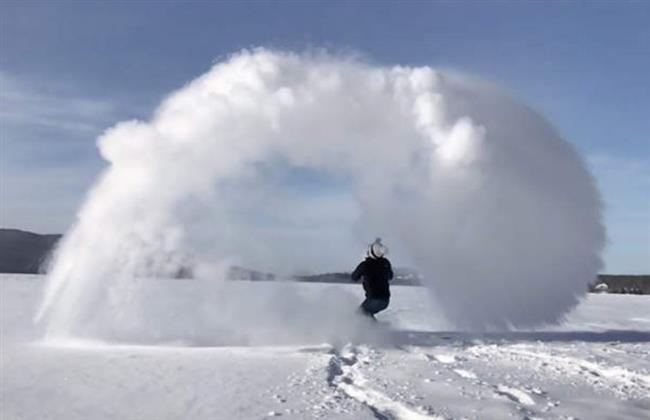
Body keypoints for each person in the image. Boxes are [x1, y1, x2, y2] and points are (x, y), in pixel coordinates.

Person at [351, 238, 393, 320]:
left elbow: (354, 277)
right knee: (367, 314)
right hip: (385, 301)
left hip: (373, 300)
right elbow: (390, 276)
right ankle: (375, 329)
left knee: (359, 315)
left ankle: (372, 331)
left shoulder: (365, 265)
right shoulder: (385, 263)